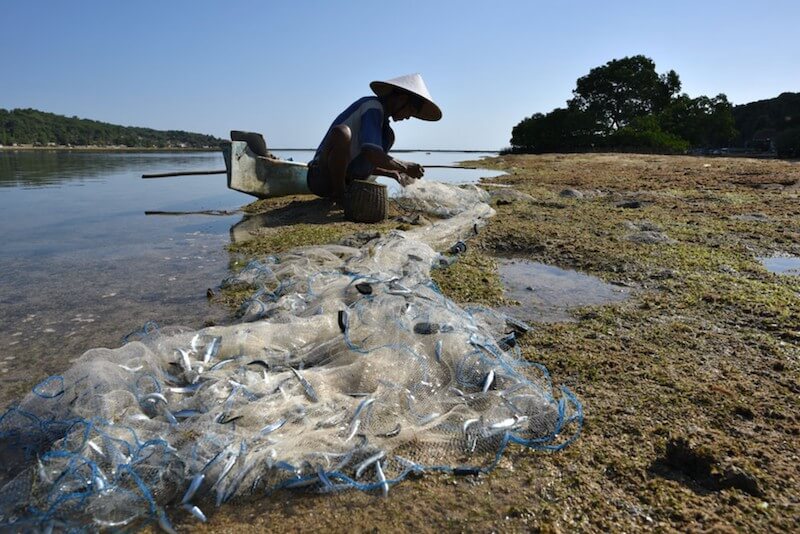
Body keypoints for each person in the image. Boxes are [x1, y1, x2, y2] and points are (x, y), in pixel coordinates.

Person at [307, 73, 442, 200]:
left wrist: (392, 172)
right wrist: (405, 166)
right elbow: (372, 153)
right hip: (320, 178)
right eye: (410, 111)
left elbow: (367, 161)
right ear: (402, 100)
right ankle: (340, 195)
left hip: (349, 180)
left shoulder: (385, 132)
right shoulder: (372, 106)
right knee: (342, 133)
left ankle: (344, 191)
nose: (407, 117)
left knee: (389, 137)